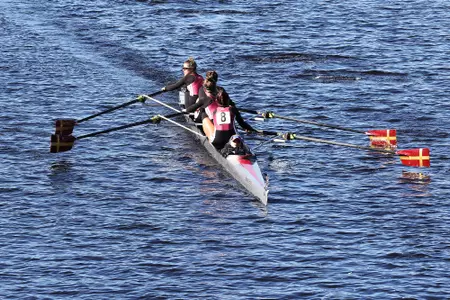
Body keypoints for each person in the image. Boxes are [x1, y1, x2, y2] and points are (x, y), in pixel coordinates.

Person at [185, 70, 256, 149]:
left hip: (216, 138)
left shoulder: (214, 108)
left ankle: (207, 136)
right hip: (231, 138)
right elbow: (242, 123)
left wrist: (196, 109)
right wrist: (252, 130)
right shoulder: (231, 107)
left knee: (203, 113)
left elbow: (188, 110)